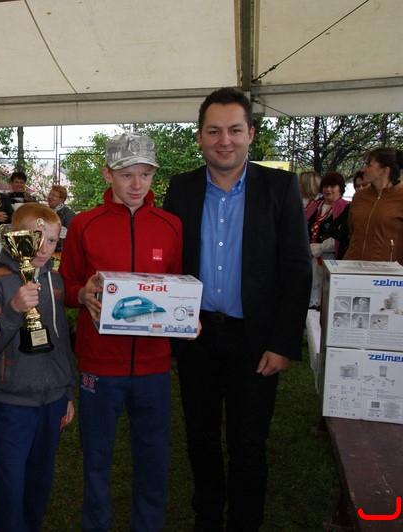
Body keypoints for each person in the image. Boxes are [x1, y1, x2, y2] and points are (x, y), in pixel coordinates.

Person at [162, 87, 311, 531]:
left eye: (233, 130)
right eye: (213, 131)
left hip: (256, 341)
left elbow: (297, 269)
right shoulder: (182, 188)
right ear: (199, 137)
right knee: (201, 438)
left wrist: (283, 343)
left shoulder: (279, 187)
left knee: (249, 444)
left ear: (250, 134)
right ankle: (207, 519)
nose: (223, 140)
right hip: (197, 335)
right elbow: (168, 262)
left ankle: (244, 523)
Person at [59, 132, 183, 531]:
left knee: (153, 456)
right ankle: (96, 524)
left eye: (145, 174)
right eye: (127, 174)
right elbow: (65, 286)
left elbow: (176, 288)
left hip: (153, 366)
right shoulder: (83, 224)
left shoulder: (170, 226)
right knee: (96, 457)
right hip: (100, 363)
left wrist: (185, 314)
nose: (136, 184)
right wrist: (82, 295)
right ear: (107, 174)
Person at [0, 203, 75, 532]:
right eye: (36, 238)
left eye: (51, 240)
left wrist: (67, 392)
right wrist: (13, 309)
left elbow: (61, 341)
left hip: (53, 400)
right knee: (9, 481)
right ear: (15, 238)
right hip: (14, 401)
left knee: (40, 479)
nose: (44, 248)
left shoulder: (55, 280)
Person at [343, 147, 403, 265]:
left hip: (387, 272)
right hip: (353, 267)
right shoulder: (359, 196)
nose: (363, 169)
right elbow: (352, 229)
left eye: (369, 165)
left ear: (384, 170)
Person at [305, 172, 351, 309]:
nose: (328, 189)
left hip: (329, 259)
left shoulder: (346, 208)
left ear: (340, 188)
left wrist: (320, 247)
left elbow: (343, 234)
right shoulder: (314, 206)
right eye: (325, 186)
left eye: (332, 186)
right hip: (309, 258)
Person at [46, 184, 76, 251]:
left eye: (53, 195)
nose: (50, 197)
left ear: (62, 199)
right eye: (50, 194)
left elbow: (71, 238)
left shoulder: (69, 215)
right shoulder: (46, 212)